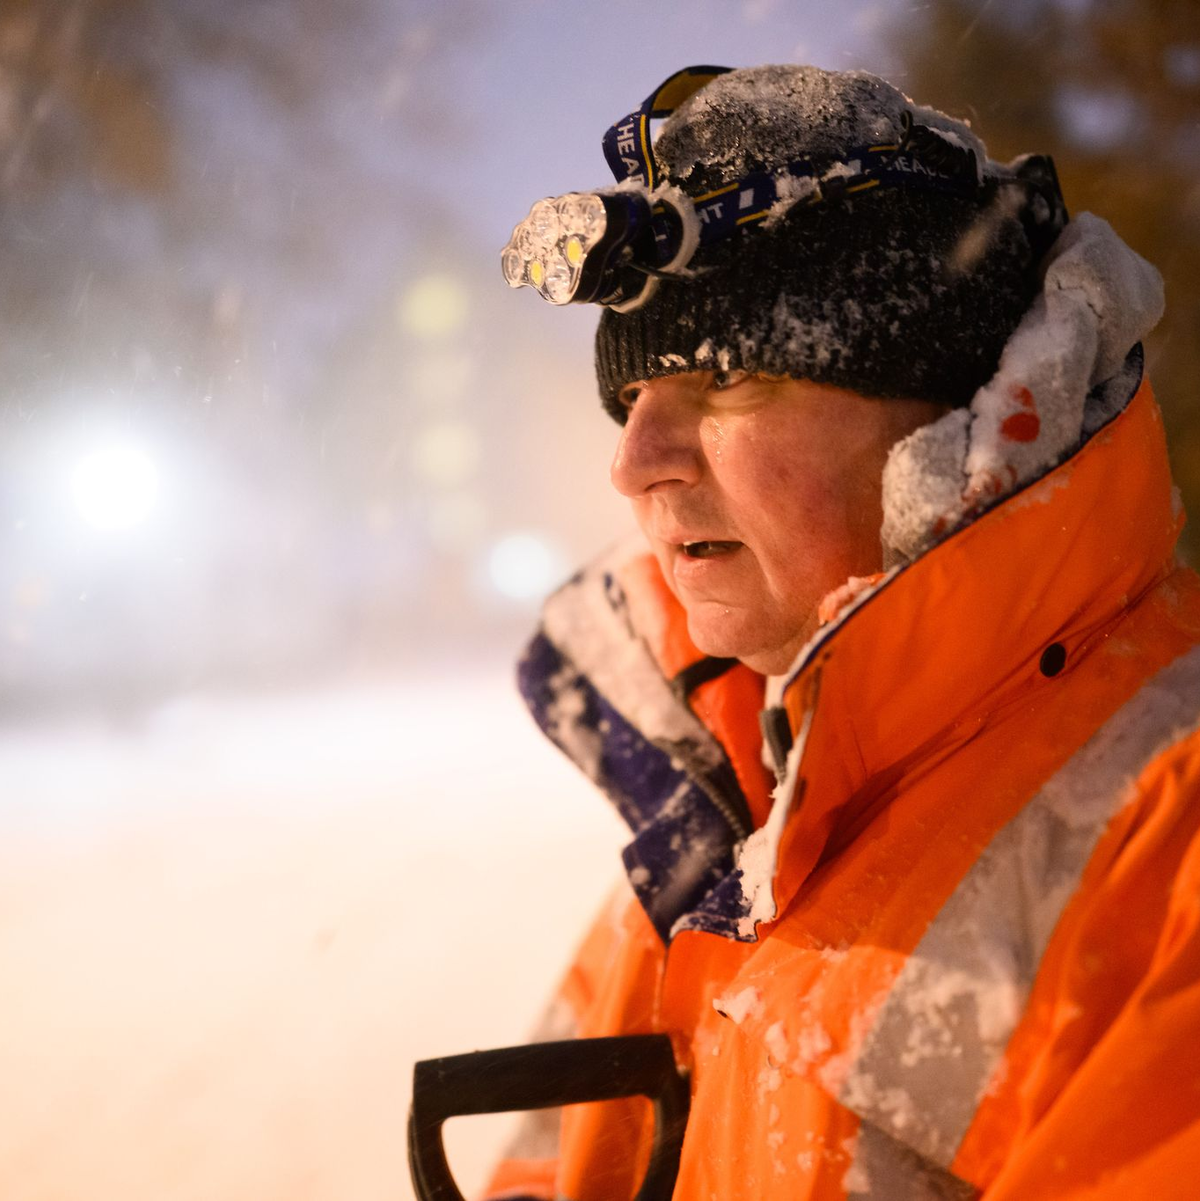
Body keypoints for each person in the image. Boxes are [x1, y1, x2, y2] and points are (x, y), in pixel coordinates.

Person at [483, 64, 1200, 1199]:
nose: (631, 462)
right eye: (632, 398)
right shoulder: (729, 815)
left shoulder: (1167, 851)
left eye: (727, 376)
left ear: (951, 419)